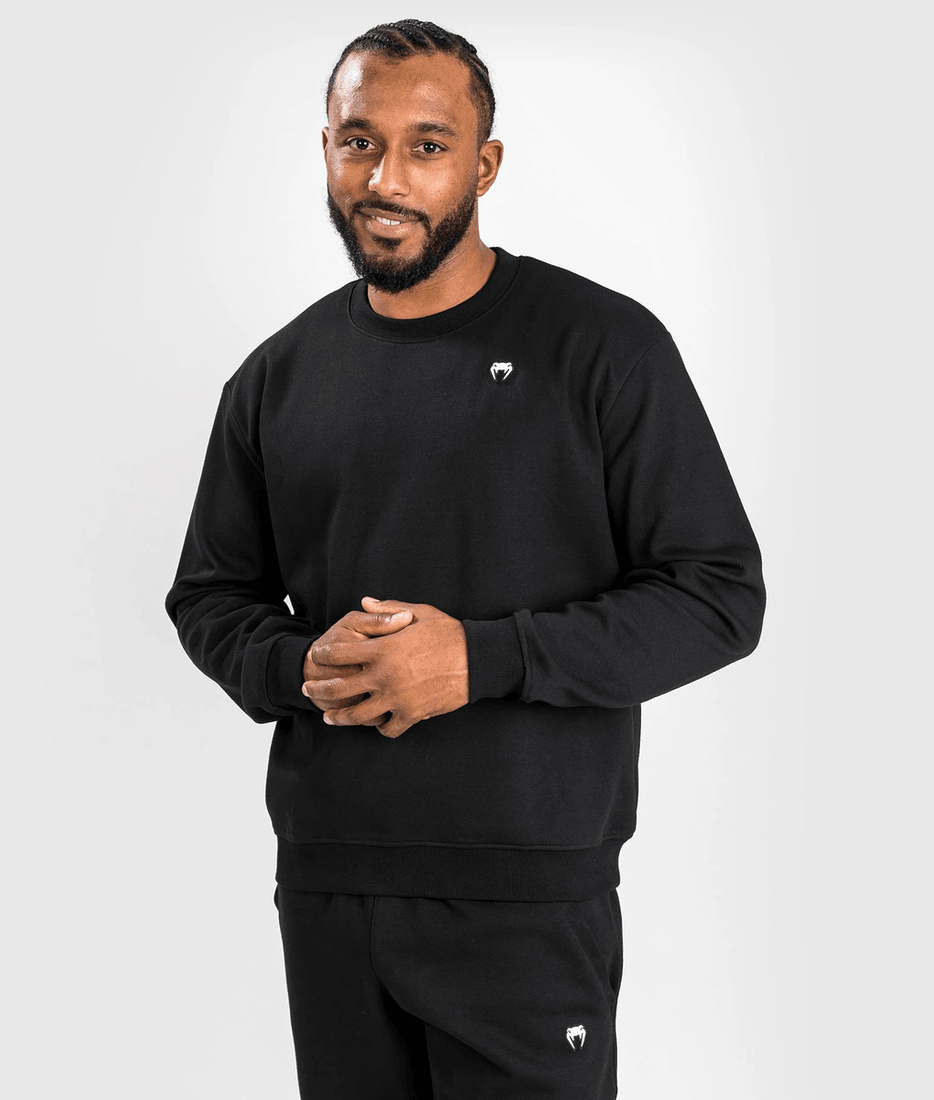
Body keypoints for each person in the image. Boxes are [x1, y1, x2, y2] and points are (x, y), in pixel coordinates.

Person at [165, 18, 765, 1099]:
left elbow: (717, 595)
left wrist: (480, 660)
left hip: (526, 897)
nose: (385, 179)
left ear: (483, 166)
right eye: (359, 141)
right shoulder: (275, 377)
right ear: (326, 149)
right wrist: (299, 665)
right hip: (330, 887)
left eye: (427, 146)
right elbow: (211, 595)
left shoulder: (602, 348)